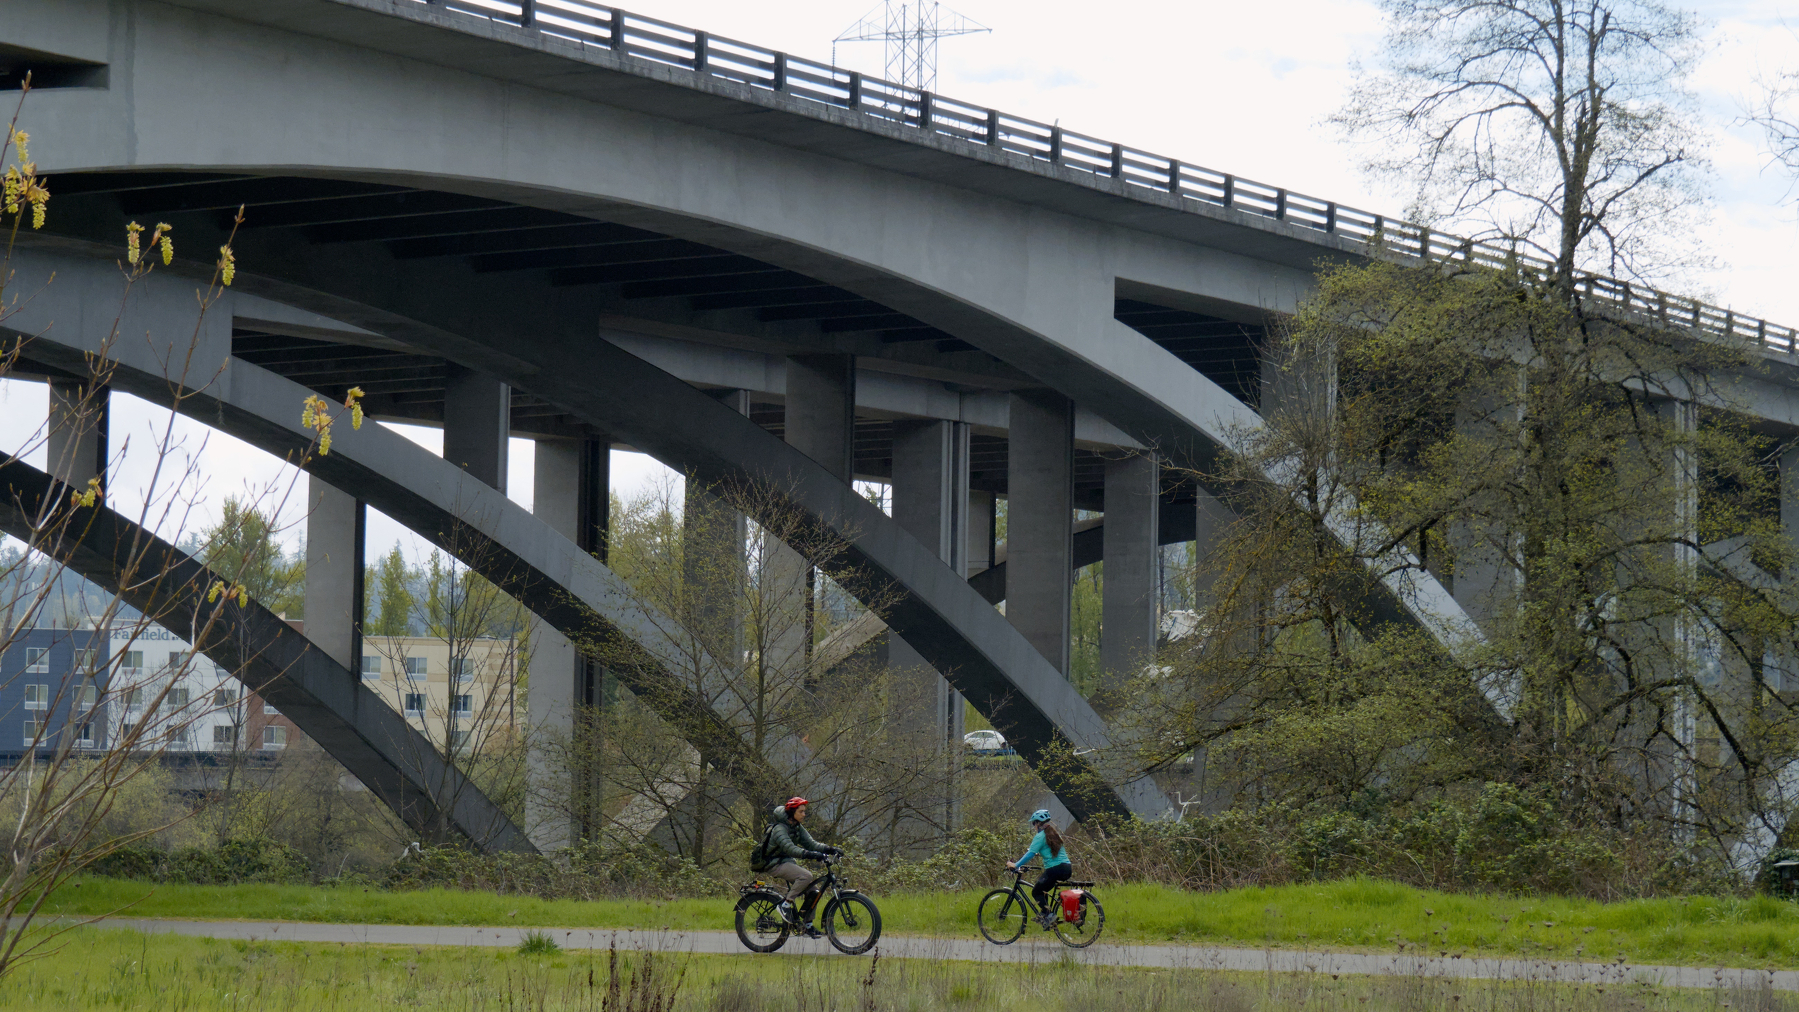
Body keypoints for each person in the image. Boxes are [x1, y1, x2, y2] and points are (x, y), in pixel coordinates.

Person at [750, 796, 842, 935]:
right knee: (806, 876)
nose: (804, 815)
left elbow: (812, 844)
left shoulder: (797, 827)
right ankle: (785, 905)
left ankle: (807, 925)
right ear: (792, 813)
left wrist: (830, 849)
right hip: (773, 864)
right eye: (801, 812)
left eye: (804, 811)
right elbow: (791, 849)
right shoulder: (779, 829)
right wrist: (810, 854)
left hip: (785, 861)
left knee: (813, 891)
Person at [1006, 809, 1071, 929]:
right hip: (1066, 868)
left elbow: (1030, 853)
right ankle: (1046, 915)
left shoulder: (1040, 836)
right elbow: (1046, 851)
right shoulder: (1054, 834)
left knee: (1036, 892)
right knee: (1043, 890)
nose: (1034, 826)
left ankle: (1049, 917)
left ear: (1037, 823)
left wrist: (1016, 865)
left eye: (1033, 824)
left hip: (1055, 869)